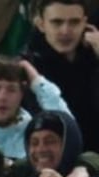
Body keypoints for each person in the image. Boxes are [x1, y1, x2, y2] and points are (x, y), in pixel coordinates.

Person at [25, 0, 99, 152]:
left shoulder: (93, 57)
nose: (65, 31)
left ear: (85, 23)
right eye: (57, 22)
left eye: (74, 22)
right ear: (41, 24)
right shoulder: (28, 67)